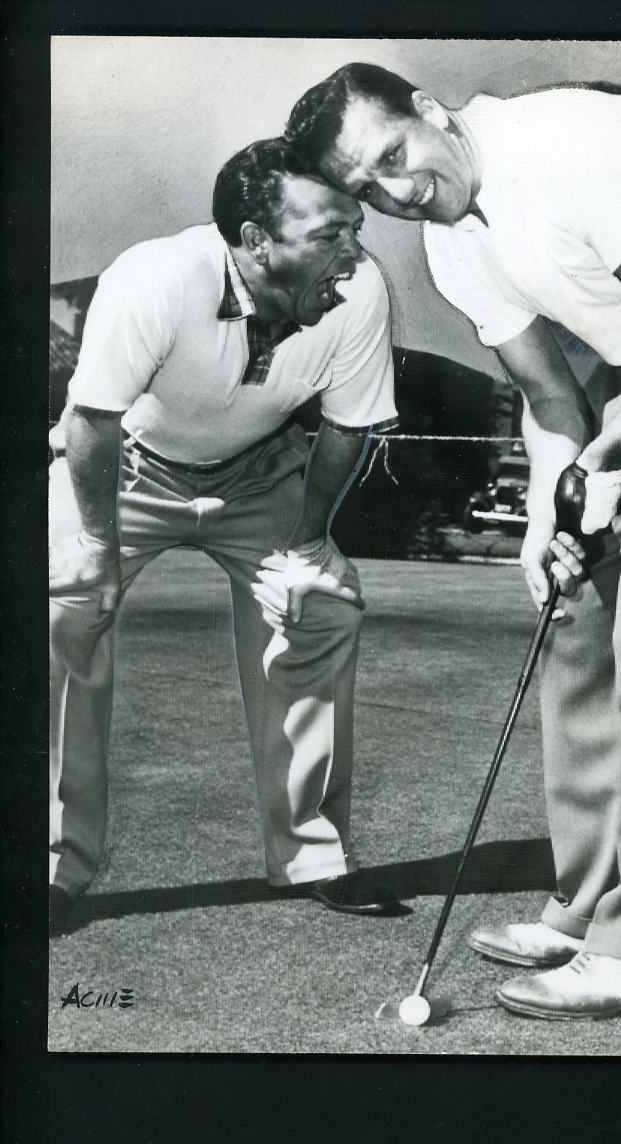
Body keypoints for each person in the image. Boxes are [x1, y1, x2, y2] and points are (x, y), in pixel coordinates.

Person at [285, 65, 621, 1019]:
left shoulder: (562, 146)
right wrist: (544, 520)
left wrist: (605, 456)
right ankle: (592, 896)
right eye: (365, 188)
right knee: (579, 611)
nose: (396, 193)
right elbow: (552, 395)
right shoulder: (454, 245)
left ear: (430, 111)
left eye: (394, 157)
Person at [48, 136, 402, 936]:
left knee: (322, 605)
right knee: (63, 607)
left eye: (355, 229)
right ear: (254, 241)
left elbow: (346, 428)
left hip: (261, 471)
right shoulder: (156, 276)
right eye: (328, 235)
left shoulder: (362, 289)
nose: (353, 252)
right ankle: (53, 870)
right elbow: (92, 420)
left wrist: (310, 546)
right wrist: (99, 552)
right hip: (128, 468)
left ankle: (312, 856)